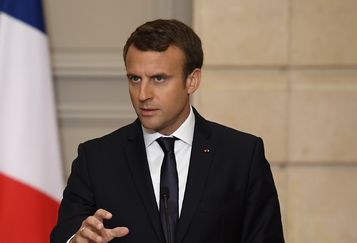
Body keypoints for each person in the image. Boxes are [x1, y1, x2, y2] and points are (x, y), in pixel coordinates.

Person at [51, 19, 284, 243]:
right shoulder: (96, 159)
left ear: (192, 80)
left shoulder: (241, 156)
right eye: (134, 79)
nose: (143, 94)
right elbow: (64, 236)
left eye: (158, 78)